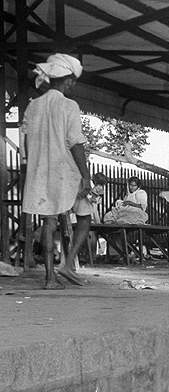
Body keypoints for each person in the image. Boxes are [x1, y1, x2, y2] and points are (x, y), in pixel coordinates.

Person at [21, 53, 92, 288]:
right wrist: (85, 175)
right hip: (65, 171)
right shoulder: (69, 105)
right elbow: (75, 143)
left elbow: (27, 143)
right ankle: (68, 263)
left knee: (48, 221)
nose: (73, 84)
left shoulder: (33, 106)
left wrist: (31, 168)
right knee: (84, 215)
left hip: (40, 171)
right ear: (68, 80)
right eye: (73, 80)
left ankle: (50, 278)